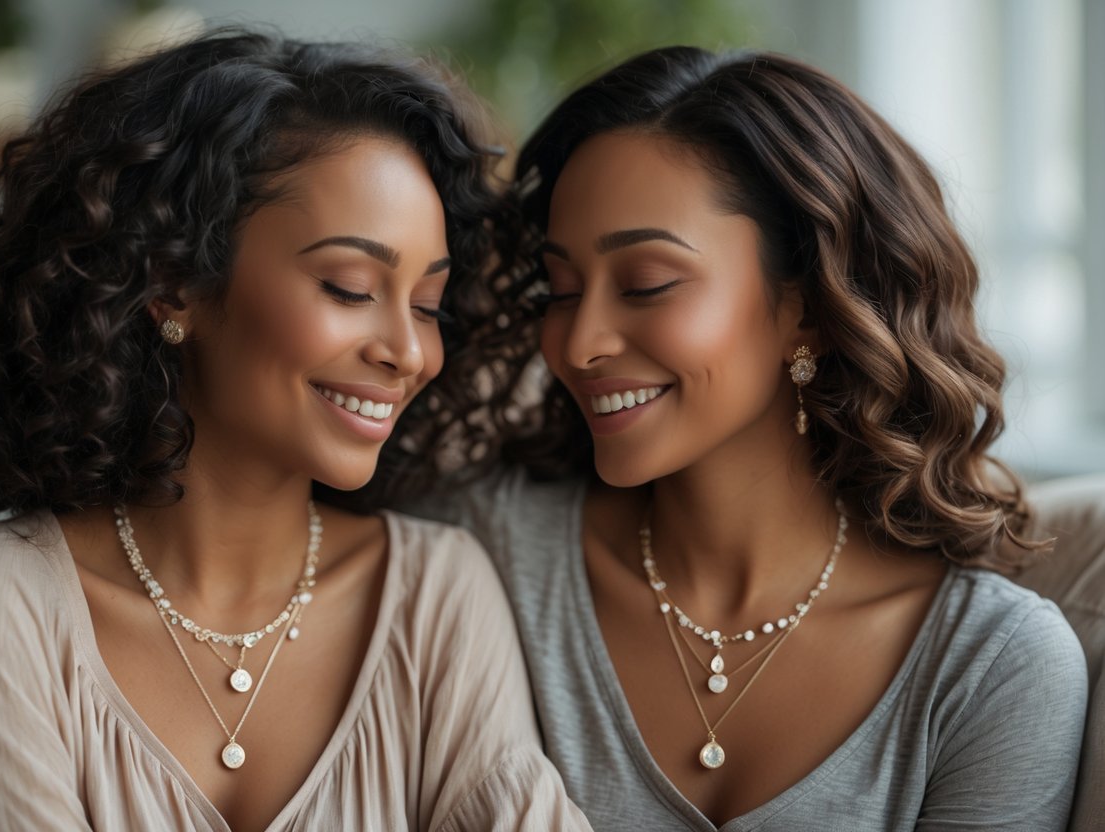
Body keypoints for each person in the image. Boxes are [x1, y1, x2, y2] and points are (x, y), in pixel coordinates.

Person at [0, 30, 588, 831]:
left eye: (427, 305)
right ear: (172, 283)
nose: (406, 351)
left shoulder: (438, 595)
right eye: (349, 286)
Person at [418, 46, 1088, 829]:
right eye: (561, 291)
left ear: (807, 306)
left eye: (645, 285)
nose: (577, 343)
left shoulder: (991, 666)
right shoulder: (472, 554)